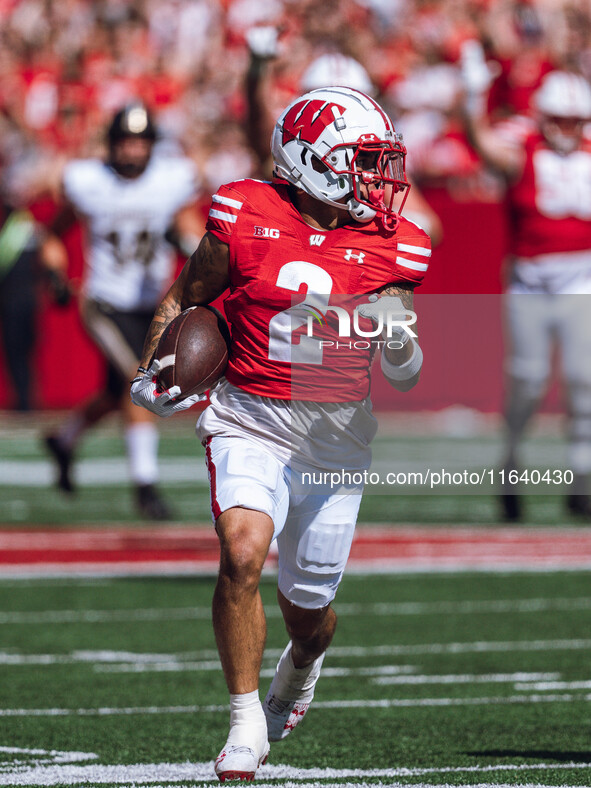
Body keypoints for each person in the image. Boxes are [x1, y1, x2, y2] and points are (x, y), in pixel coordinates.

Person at [131, 86, 430, 780]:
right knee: (240, 556)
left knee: (309, 612)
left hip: (333, 435)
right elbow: (187, 298)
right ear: (308, 162)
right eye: (360, 161)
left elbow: (408, 370)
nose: (375, 179)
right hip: (248, 415)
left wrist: (398, 342)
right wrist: (155, 367)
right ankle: (243, 726)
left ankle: (301, 664)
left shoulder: (396, 246)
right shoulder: (243, 212)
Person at [42, 103, 204, 519]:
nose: (132, 151)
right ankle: (146, 485)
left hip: (151, 305)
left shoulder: (171, 179)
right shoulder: (88, 180)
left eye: (140, 142)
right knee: (139, 379)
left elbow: (188, 225)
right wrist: (56, 273)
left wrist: (187, 244)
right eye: (124, 142)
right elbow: (52, 234)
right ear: (111, 144)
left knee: (118, 393)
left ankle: (64, 439)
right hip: (103, 303)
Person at [462, 63, 591, 520]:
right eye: (558, 118)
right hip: (530, 282)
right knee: (529, 379)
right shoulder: (523, 152)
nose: (566, 129)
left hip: (581, 279)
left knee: (584, 378)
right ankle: (512, 463)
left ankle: (581, 477)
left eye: (575, 120)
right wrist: (473, 97)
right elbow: (480, 142)